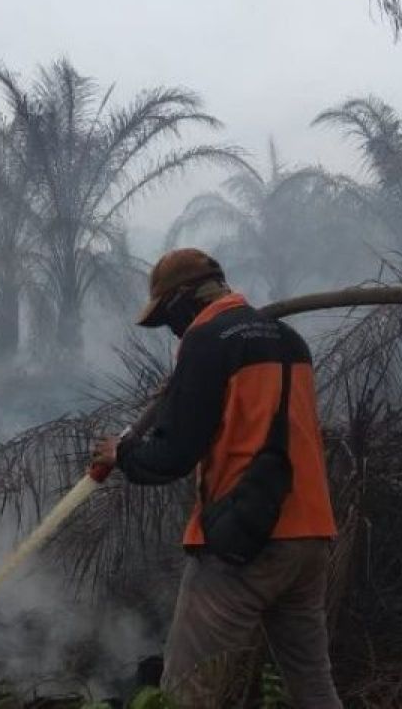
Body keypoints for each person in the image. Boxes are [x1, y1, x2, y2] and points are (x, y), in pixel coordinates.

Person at [92, 248, 342, 709]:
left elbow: (172, 456)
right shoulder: (288, 339)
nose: (174, 330)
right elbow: (252, 416)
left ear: (186, 300)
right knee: (312, 686)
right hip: (310, 536)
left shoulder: (207, 339)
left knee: (188, 690)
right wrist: (183, 390)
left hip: (246, 541)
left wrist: (122, 452)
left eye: (170, 318)